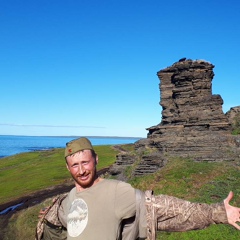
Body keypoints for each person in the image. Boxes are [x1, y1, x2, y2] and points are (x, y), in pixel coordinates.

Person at [37, 137, 240, 240]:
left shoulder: (116, 191)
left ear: (96, 160)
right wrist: (47, 216)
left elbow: (164, 209)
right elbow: (56, 222)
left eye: (85, 162)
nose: (81, 170)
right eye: (75, 165)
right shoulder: (67, 200)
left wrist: (217, 212)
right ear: (67, 167)